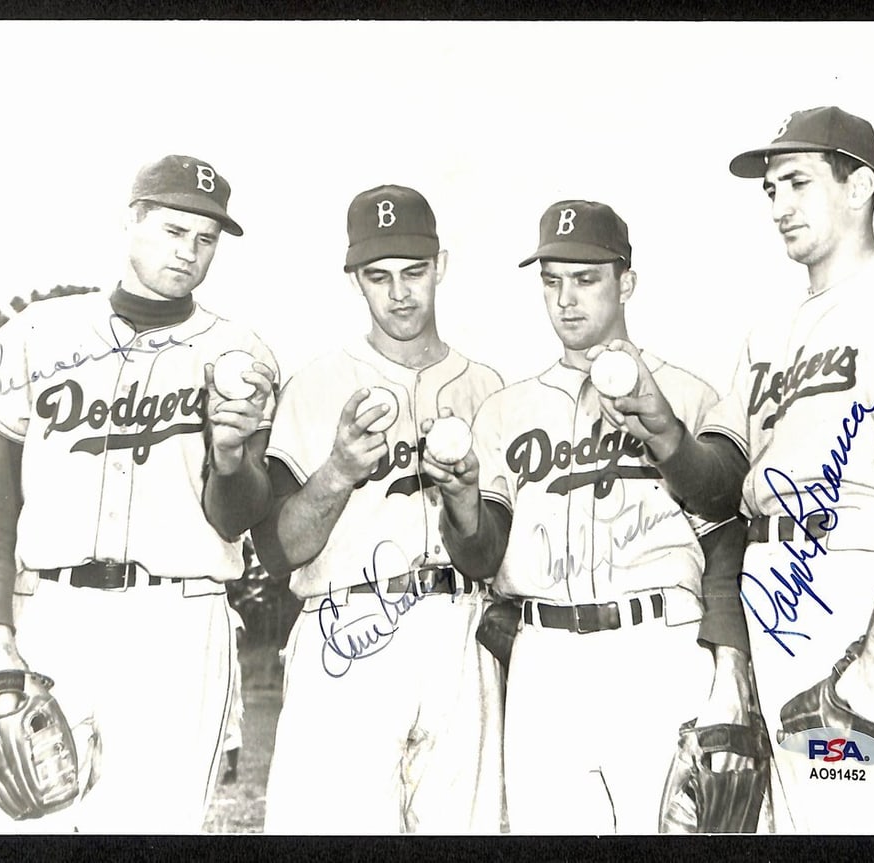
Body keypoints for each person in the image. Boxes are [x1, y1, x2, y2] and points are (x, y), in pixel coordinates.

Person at [596, 107, 874, 834]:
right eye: (771, 190)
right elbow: (718, 487)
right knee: (809, 820)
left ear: (860, 184)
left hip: (862, 590)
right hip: (779, 607)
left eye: (797, 183)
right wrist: (666, 431)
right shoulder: (767, 334)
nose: (779, 206)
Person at [0, 155, 278, 833]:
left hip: (178, 621)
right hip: (50, 614)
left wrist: (229, 454)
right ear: (131, 220)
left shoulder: (241, 351)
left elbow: (235, 517)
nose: (189, 252)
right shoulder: (40, 334)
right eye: (173, 230)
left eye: (206, 239)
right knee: (6, 829)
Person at [422, 200, 756, 834]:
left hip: (658, 646)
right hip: (544, 658)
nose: (565, 300)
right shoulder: (506, 410)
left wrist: (728, 667)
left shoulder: (687, 394)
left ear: (626, 282)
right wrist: (462, 506)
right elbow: (482, 555)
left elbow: (724, 540)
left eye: (586, 278)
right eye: (551, 281)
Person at [210, 184, 506, 833]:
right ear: (355, 281)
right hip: (348, 624)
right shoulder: (315, 385)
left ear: (442, 267)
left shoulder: (489, 389)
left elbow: (492, 552)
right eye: (379, 276)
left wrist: (463, 501)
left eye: (414, 272)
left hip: (462, 627)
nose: (399, 293)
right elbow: (277, 549)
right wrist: (339, 469)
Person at [222, 603, 247, 784]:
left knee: (231, 716)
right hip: (207, 666)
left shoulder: (229, 614)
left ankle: (231, 769)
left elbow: (238, 637)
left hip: (228, 666)